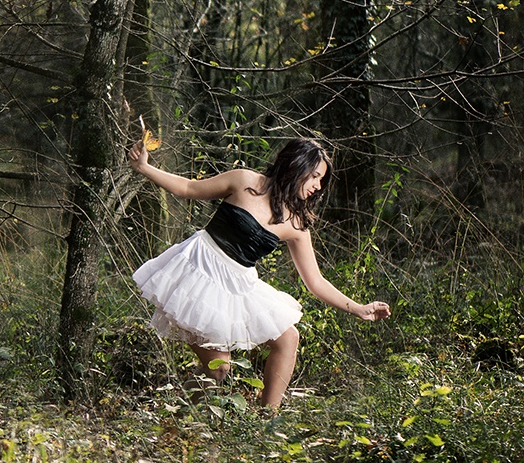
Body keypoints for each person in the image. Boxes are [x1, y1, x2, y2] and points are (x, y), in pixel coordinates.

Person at [127, 137, 391, 408]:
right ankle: (181, 420)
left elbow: (315, 281)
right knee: (219, 369)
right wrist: (144, 167)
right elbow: (188, 188)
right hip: (199, 272)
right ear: (296, 165)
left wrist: (358, 308)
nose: (317, 186)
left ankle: (268, 420)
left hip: (239, 284)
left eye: (321, 181)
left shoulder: (296, 224)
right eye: (314, 176)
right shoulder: (245, 181)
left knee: (288, 338)